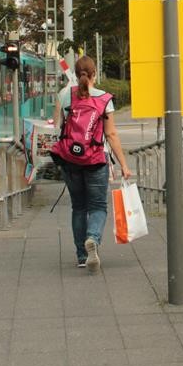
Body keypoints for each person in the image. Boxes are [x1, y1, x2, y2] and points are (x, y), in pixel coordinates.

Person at [51, 56, 131, 272]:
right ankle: (93, 238)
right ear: (94, 73)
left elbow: (56, 127)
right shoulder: (104, 99)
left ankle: (81, 256)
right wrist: (124, 164)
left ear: (77, 74)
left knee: (78, 207)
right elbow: (111, 134)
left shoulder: (65, 95)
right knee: (98, 207)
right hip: (96, 160)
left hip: (70, 160)